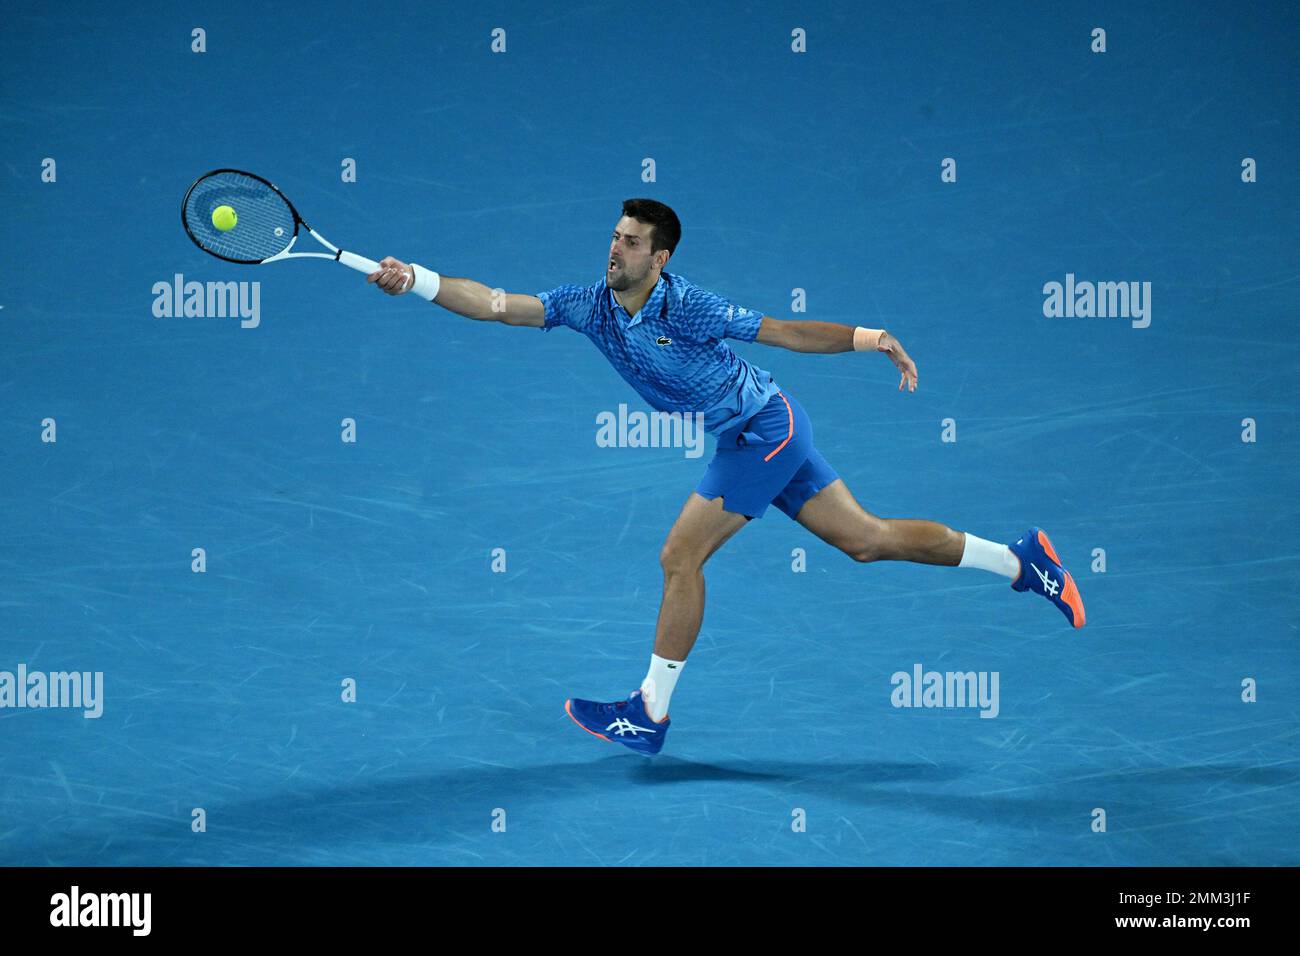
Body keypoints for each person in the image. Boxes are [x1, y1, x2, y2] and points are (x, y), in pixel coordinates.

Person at [367, 198, 1085, 755]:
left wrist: (871, 339)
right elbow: (496, 305)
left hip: (763, 434)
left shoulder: (691, 305)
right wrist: (419, 282)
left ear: (661, 256)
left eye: (630, 242)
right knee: (867, 540)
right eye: (614, 236)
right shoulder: (589, 305)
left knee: (680, 556)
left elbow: (784, 331)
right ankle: (1021, 562)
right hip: (760, 431)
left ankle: (648, 713)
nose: (614, 249)